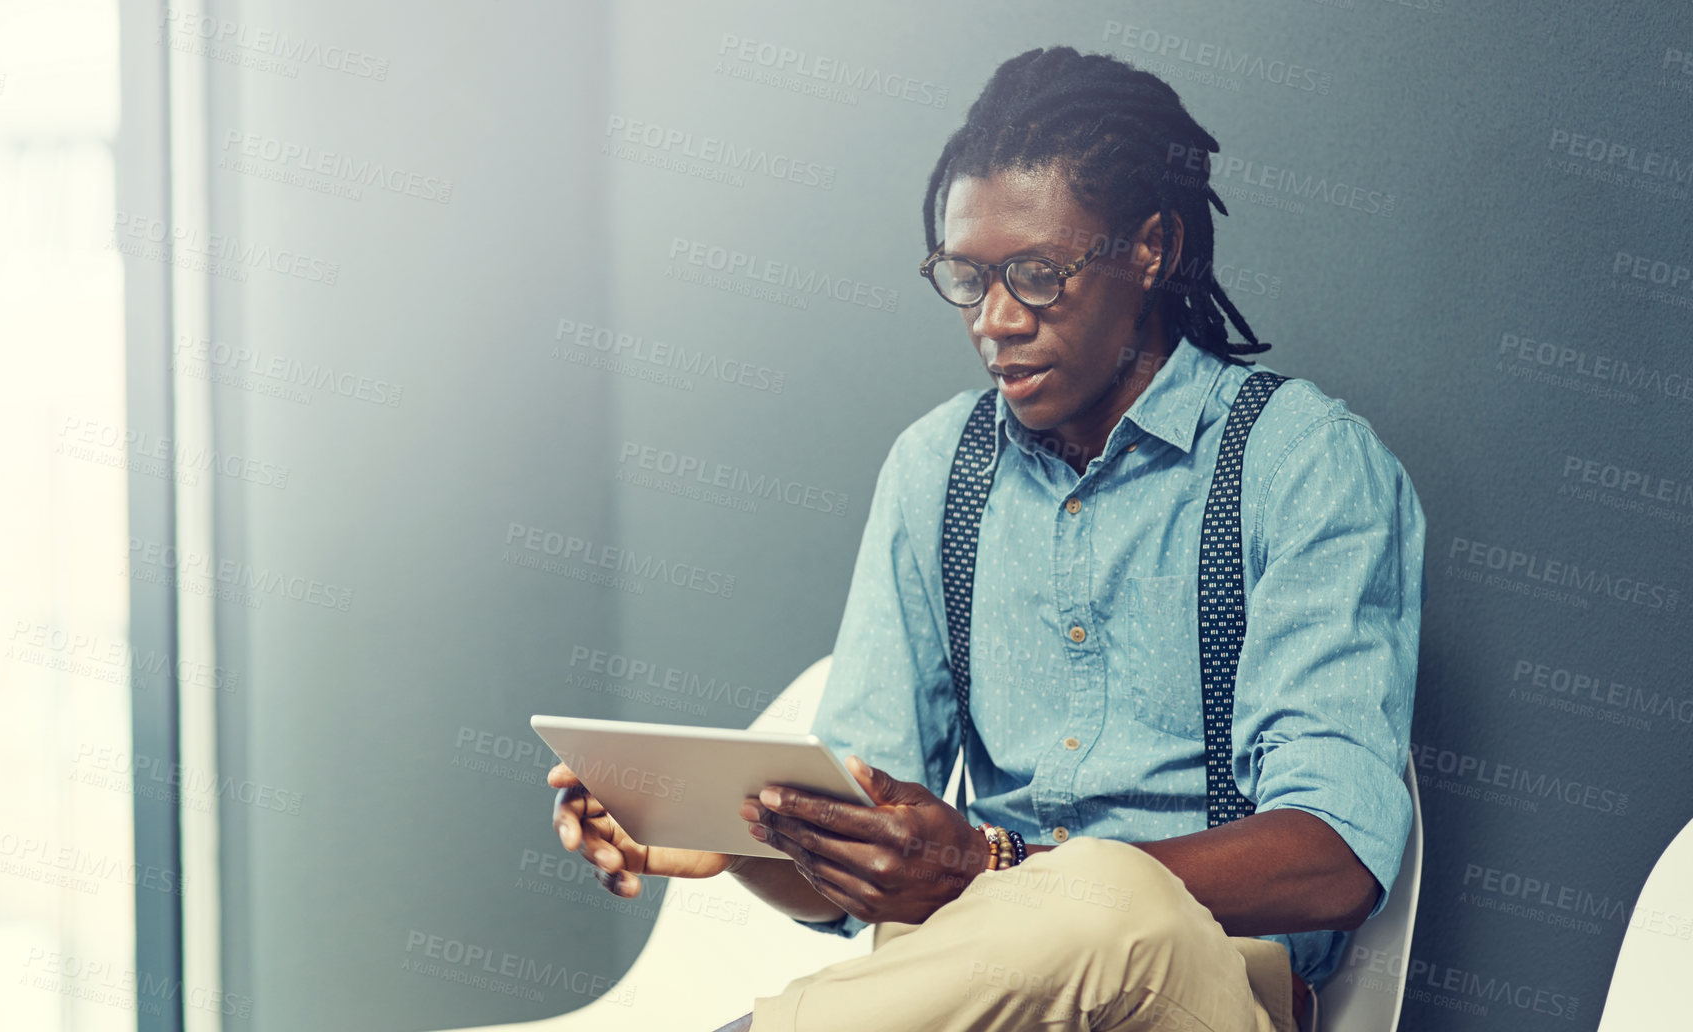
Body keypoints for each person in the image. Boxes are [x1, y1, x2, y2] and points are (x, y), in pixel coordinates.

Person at [549, 45, 1425, 1032]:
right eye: (967, 277)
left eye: (1037, 275)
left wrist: (995, 866)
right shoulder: (936, 469)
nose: (994, 321)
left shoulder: (1302, 463)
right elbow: (868, 870)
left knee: (1118, 901)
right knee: (1043, 911)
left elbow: (1336, 864)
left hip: (1198, 984)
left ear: (1151, 249)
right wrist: (744, 839)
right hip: (974, 993)